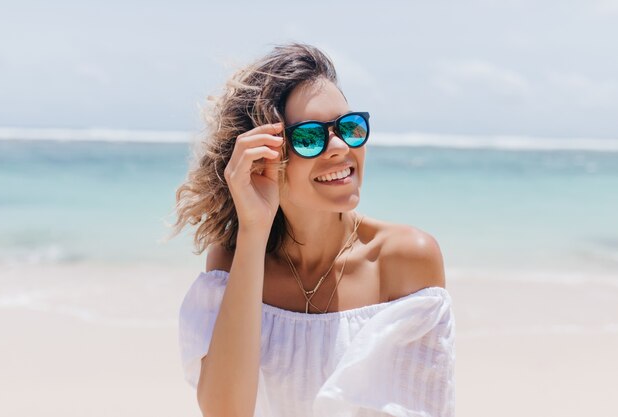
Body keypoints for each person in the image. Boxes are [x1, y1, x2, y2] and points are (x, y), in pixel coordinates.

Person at [171, 43, 455, 417]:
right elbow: (226, 412)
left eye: (350, 128)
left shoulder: (404, 259)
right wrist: (254, 232)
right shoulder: (234, 261)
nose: (340, 147)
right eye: (309, 137)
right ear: (261, 158)